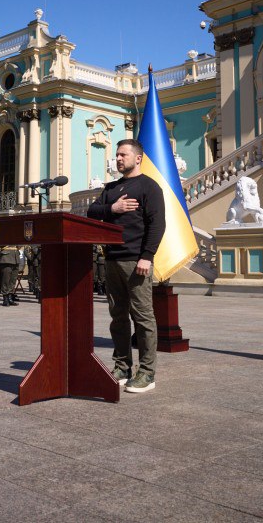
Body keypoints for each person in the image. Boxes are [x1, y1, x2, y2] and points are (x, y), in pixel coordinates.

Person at [86, 139, 165, 394]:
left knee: (143, 317)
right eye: (117, 155)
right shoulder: (111, 189)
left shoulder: (149, 187)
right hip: (111, 260)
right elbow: (92, 212)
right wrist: (114, 207)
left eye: (123, 155)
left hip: (136, 261)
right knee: (117, 317)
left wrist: (147, 256)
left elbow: (157, 225)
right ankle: (122, 367)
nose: (118, 159)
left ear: (138, 158)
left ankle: (147, 372)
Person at [0, 235, 23, 306]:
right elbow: (0, 241)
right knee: (6, 280)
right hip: (6, 258)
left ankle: (10, 297)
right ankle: (5, 298)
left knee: (13, 280)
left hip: (15, 257)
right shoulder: (2, 232)